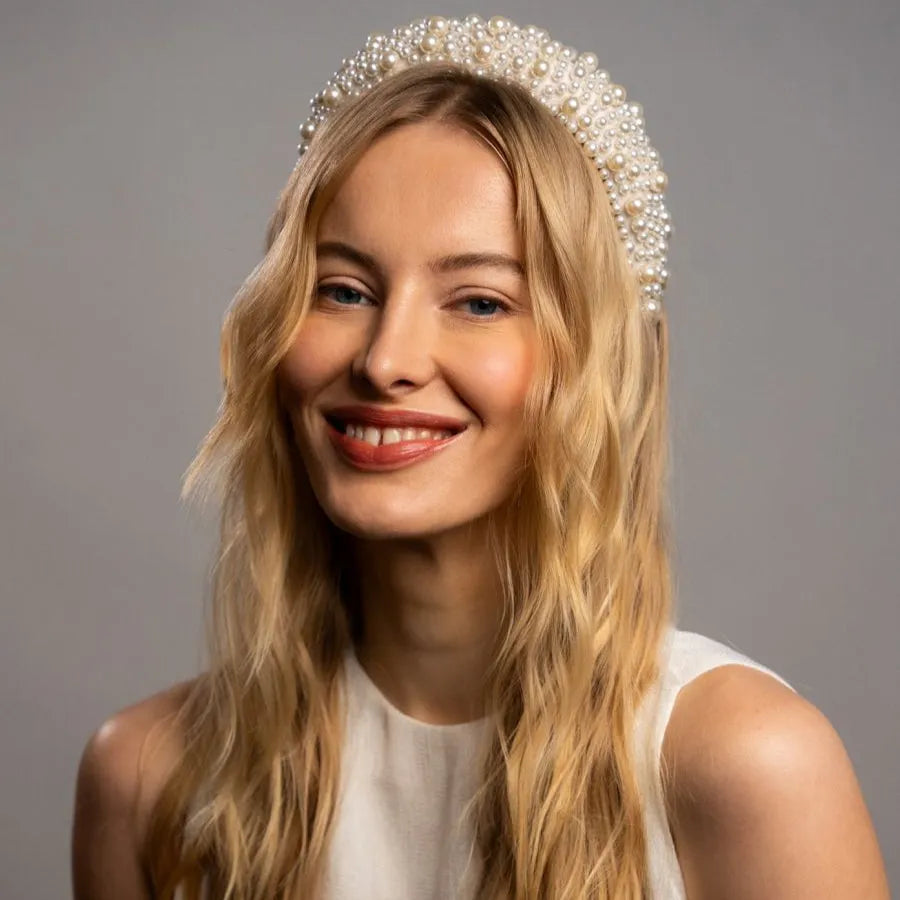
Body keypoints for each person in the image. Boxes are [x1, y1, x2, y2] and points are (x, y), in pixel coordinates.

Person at [71, 14, 889, 900]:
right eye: (342, 289)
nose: (386, 360)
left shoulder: (743, 766)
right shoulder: (148, 780)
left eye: (481, 302)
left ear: (597, 360)